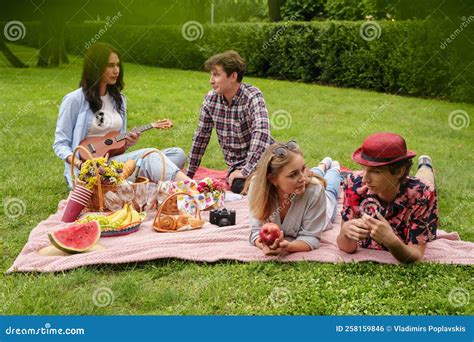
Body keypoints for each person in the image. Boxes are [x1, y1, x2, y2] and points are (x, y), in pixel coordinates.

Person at [53, 43, 190, 188]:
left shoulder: (119, 99)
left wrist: (128, 143)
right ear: (96, 67)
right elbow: (60, 144)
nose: (116, 70)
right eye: (110, 65)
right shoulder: (74, 100)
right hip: (89, 171)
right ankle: (193, 188)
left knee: (177, 154)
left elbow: (115, 146)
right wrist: (81, 164)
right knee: (151, 155)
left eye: (118, 65)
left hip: (116, 164)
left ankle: (136, 182)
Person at [337, 132, 438, 263]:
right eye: (364, 169)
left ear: (399, 171)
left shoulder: (423, 193)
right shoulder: (354, 184)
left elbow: (416, 256)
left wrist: (391, 242)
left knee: (425, 179)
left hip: (414, 187)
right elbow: (346, 247)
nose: (365, 179)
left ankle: (426, 165)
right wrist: (346, 231)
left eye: (375, 171)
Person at [186, 50, 273, 194]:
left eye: (216, 74)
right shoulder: (210, 100)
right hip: (237, 167)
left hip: (262, 158)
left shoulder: (252, 96)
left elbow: (261, 133)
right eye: (211, 74)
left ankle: (286, 154)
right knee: (240, 187)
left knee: (286, 174)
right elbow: (201, 137)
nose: (211, 80)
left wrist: (246, 171)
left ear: (233, 76)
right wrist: (188, 175)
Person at [248, 141, 342, 255]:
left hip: (325, 205)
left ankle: (334, 168)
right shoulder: (258, 188)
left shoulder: (315, 190)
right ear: (272, 179)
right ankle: (322, 166)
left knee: (330, 190)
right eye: (293, 174)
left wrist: (288, 247)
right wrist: (263, 245)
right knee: (313, 178)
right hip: (310, 187)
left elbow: (311, 238)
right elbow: (256, 232)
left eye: (303, 169)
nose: (303, 178)